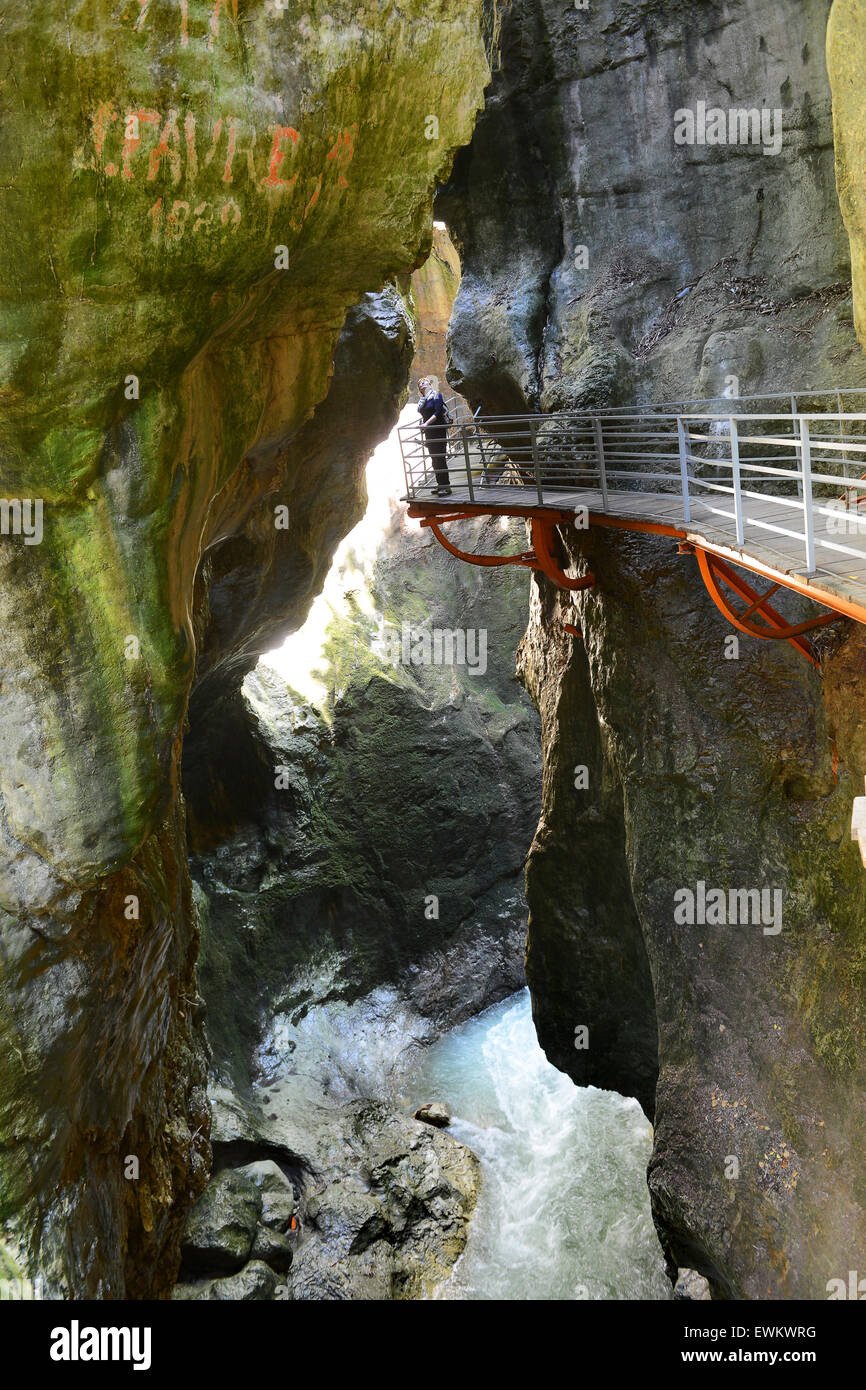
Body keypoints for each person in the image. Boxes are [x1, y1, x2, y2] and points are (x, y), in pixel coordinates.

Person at [417, 377, 451, 495]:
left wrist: (426, 423)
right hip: (429, 433)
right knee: (434, 459)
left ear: (429, 384)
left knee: (440, 458)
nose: (422, 384)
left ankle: (446, 487)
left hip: (438, 430)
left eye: (424, 382)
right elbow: (424, 415)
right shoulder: (423, 401)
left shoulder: (436, 395)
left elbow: (437, 412)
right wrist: (424, 424)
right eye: (420, 384)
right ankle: (440, 484)